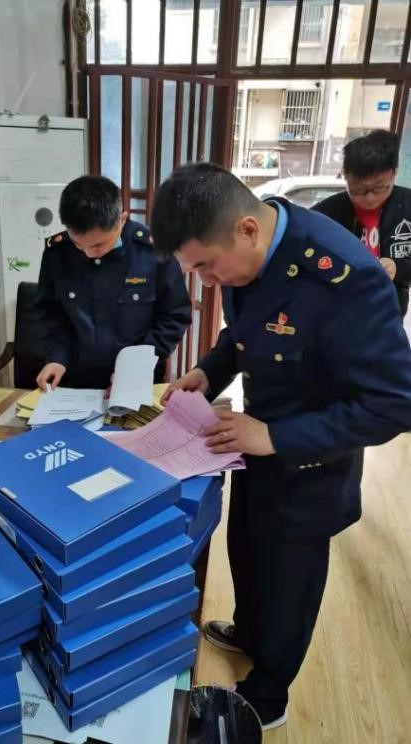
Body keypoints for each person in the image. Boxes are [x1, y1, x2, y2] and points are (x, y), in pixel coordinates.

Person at [150, 162, 411, 730]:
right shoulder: (256, 251)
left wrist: (275, 437)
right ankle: (249, 633)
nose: (207, 282)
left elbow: (394, 404)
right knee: (245, 548)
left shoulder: (345, 278)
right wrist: (208, 372)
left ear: (245, 230)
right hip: (253, 440)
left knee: (290, 581)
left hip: (310, 459)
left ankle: (269, 694)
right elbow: (244, 333)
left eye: (207, 267)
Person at [35, 175, 191, 390]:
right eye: (79, 245)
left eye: (99, 245)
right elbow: (50, 313)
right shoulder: (57, 254)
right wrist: (57, 357)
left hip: (136, 381)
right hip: (75, 383)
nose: (89, 254)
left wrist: (135, 368)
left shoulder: (153, 251)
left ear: (122, 219)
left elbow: (175, 315)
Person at [313, 129, 411, 317]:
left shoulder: (407, 206)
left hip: (388, 312)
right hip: (336, 311)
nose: (369, 198)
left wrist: (397, 267)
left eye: (380, 187)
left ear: (394, 173)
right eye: (358, 190)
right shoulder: (326, 212)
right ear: (345, 176)